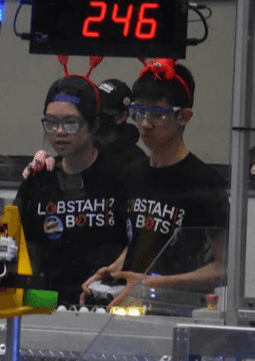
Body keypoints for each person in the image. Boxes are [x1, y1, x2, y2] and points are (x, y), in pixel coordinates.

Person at [81, 59, 229, 307]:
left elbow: (225, 268)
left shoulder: (205, 183)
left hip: (180, 312)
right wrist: (111, 273)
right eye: (139, 112)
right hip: (129, 307)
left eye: (157, 115)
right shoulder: (132, 174)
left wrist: (150, 283)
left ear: (184, 116)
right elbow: (140, 241)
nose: (145, 123)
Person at [16, 75, 128, 307]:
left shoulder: (121, 177)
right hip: (45, 304)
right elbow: (17, 252)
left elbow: (137, 251)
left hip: (102, 304)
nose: (59, 131)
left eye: (71, 122)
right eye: (51, 122)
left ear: (93, 125)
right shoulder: (38, 180)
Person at [96, 78, 146, 164]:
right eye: (95, 102)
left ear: (121, 117)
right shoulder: (84, 145)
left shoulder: (135, 160)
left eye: (103, 106)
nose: (96, 110)